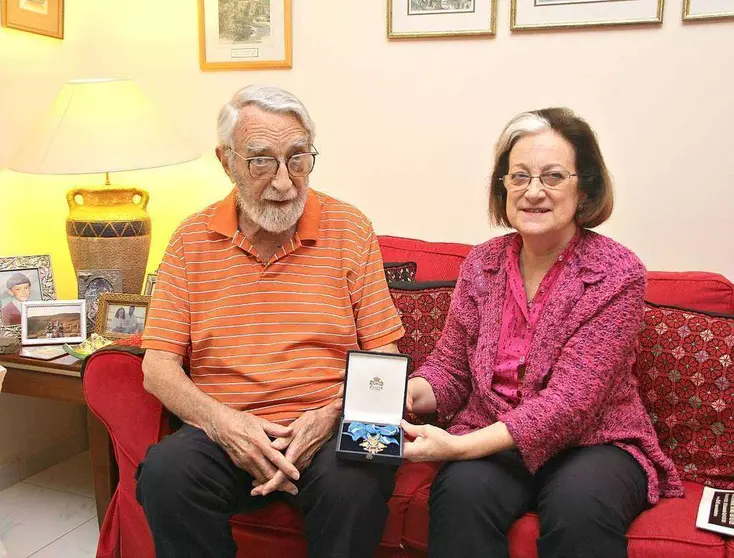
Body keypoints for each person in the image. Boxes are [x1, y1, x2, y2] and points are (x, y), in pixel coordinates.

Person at [136, 85, 405, 558]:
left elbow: (385, 359)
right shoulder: (190, 240)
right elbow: (157, 367)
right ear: (227, 161)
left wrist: (328, 417)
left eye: (298, 158)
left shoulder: (350, 227)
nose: (284, 182)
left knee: (362, 474)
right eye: (262, 161)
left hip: (332, 420)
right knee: (165, 472)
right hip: (227, 425)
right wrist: (226, 425)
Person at [402, 107, 684, 558]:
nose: (533, 192)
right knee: (460, 497)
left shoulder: (616, 273)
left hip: (595, 443)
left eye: (553, 176)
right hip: (492, 435)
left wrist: (459, 446)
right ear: (504, 186)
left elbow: (571, 403)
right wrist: (406, 393)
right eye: (519, 177)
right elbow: (451, 370)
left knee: (579, 509)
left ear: (584, 186)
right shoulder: (482, 263)